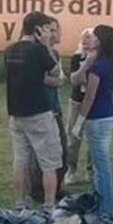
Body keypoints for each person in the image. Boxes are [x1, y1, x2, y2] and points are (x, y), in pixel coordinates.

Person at [4, 11, 63, 209]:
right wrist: (46, 45)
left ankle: (20, 203)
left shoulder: (10, 50)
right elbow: (55, 71)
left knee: (20, 162)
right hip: (38, 113)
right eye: (46, 29)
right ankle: (48, 206)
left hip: (16, 115)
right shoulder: (38, 51)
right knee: (49, 164)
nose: (49, 33)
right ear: (37, 30)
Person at [76, 25, 113, 215]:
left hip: (97, 117)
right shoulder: (112, 62)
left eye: (94, 37)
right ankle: (99, 201)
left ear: (100, 41)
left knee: (101, 165)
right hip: (108, 114)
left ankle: (106, 208)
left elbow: (90, 97)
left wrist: (79, 122)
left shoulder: (98, 66)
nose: (90, 40)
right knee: (99, 162)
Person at [28, 17, 68, 202]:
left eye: (55, 30)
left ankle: (56, 188)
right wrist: (58, 80)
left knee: (60, 150)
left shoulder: (54, 54)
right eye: (49, 30)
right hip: (43, 106)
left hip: (55, 106)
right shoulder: (38, 52)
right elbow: (45, 78)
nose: (53, 34)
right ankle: (39, 190)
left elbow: (58, 76)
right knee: (42, 152)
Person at [65, 27, 96, 185]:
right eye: (83, 38)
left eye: (89, 38)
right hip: (77, 100)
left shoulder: (101, 59)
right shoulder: (76, 57)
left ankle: (91, 170)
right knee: (73, 136)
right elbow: (75, 80)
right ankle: (71, 169)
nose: (85, 41)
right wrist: (85, 65)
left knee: (93, 138)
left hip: (94, 103)